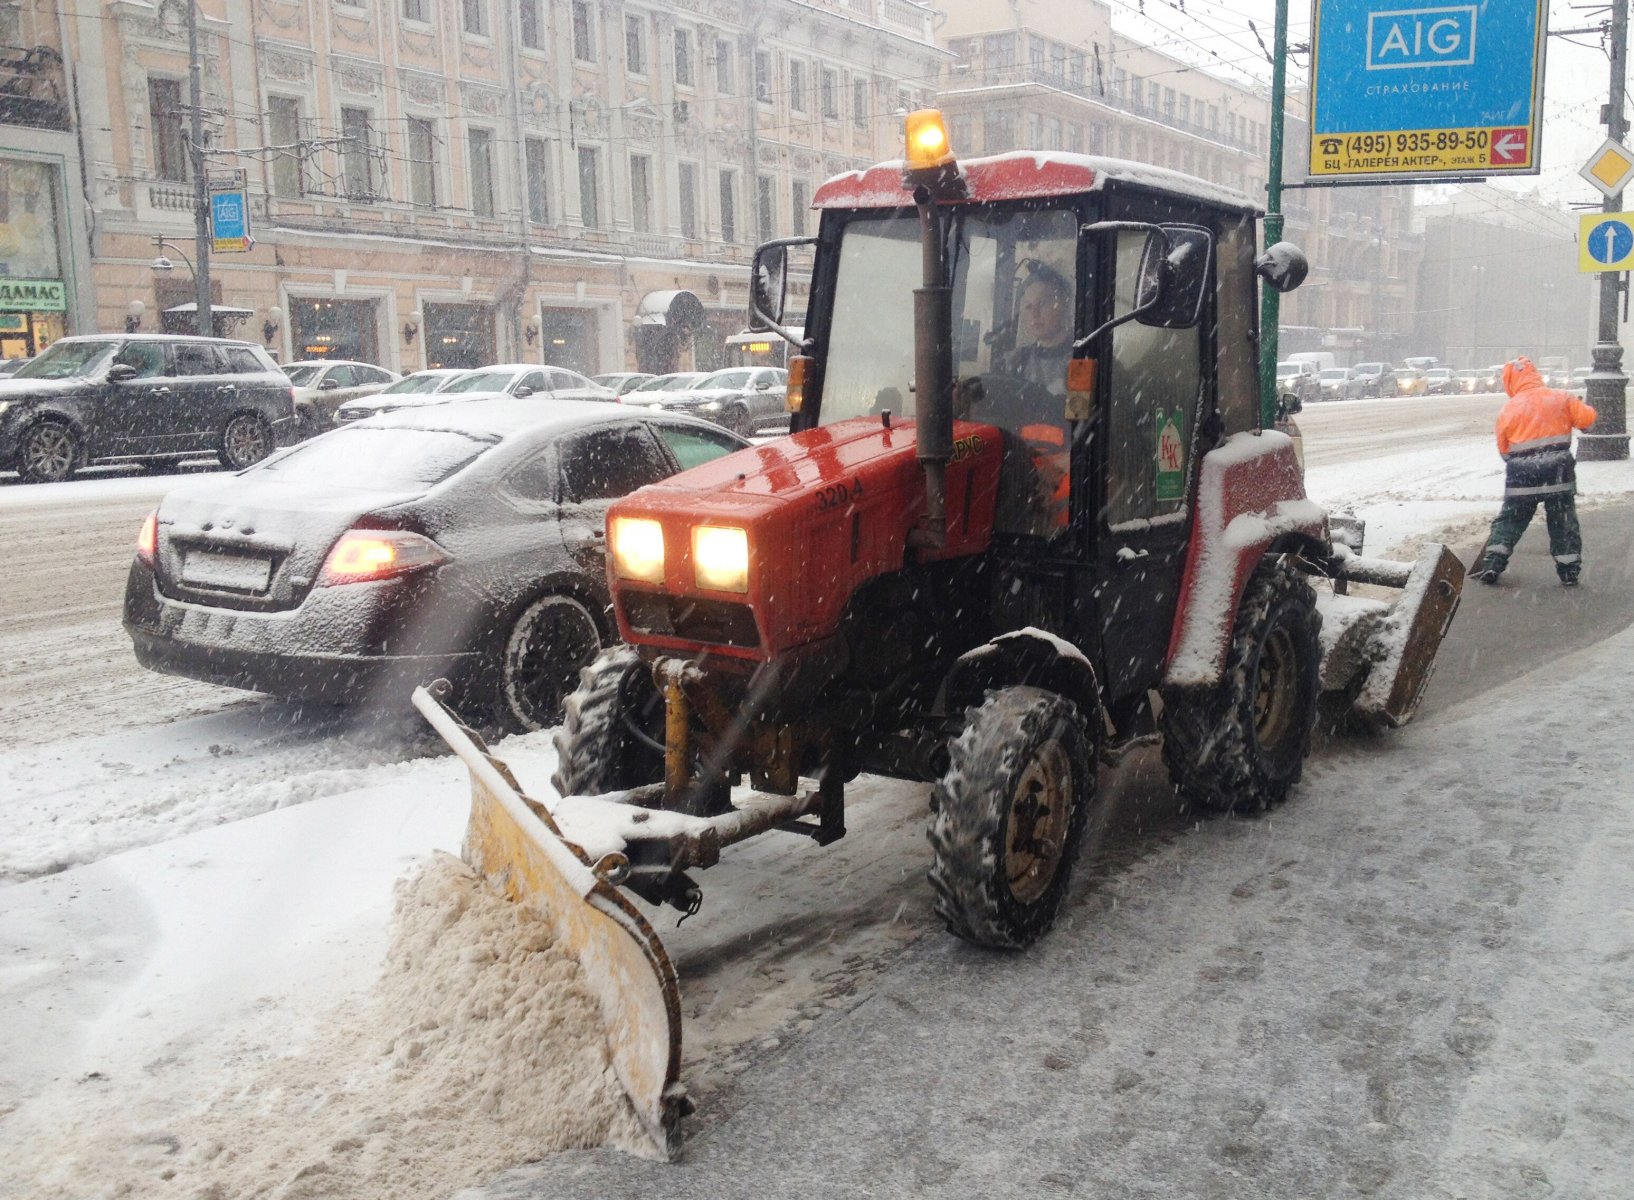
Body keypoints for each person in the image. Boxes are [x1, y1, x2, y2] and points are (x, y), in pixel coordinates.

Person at [1473, 356, 1597, 587]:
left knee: (1511, 520)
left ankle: (1492, 563)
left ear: (1511, 381)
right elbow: (1587, 420)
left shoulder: (1509, 409)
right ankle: (1569, 569)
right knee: (1563, 521)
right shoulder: (1561, 398)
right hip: (1558, 471)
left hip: (1521, 474)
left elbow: (1504, 449)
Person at [1006, 263, 1074, 398]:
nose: (1034, 314)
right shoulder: (1016, 361)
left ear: (1064, 305)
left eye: (1042, 303)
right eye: (1028, 306)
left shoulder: (1085, 359)